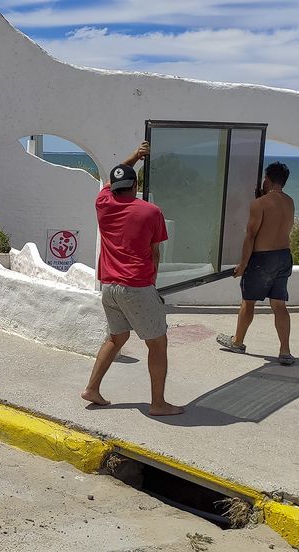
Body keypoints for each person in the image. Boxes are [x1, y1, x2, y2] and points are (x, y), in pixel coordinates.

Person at [81, 141, 183, 417]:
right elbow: (155, 252)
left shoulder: (103, 203)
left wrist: (135, 157)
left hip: (109, 287)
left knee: (117, 338)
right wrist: (152, 283)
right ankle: (158, 403)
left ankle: (92, 389)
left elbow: (111, 178)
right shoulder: (150, 211)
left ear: (113, 189)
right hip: (136, 285)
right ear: (135, 186)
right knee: (157, 344)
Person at [216, 162, 296, 365]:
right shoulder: (290, 201)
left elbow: (250, 236)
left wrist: (243, 265)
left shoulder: (259, 204)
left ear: (267, 180)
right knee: (279, 304)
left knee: (248, 301)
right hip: (284, 256)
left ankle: (238, 342)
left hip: (263, 258)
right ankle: (285, 351)